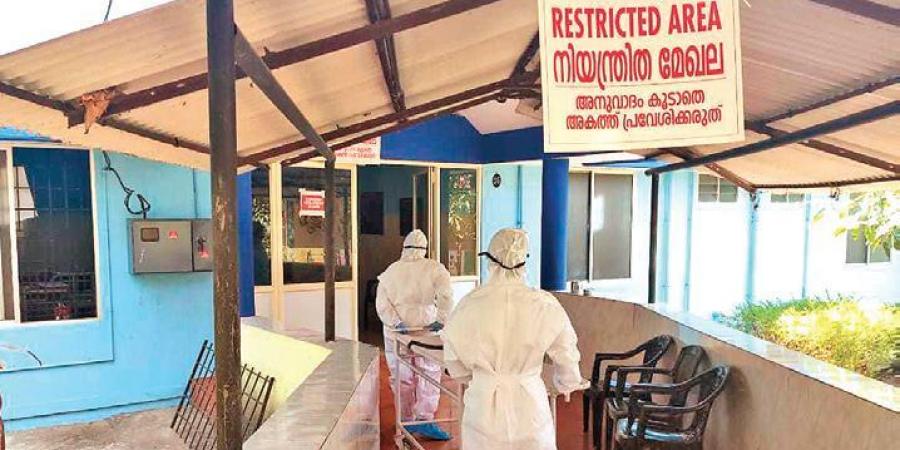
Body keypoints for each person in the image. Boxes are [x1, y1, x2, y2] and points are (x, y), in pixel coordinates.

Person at [442, 228, 587, 450]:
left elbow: (454, 363)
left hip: (483, 408)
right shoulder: (544, 304)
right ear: (523, 261)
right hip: (530, 407)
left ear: (489, 260)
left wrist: (480, 377)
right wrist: (565, 383)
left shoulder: (469, 305)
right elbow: (567, 358)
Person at [376, 229, 454, 441]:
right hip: (425, 329)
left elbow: (382, 304)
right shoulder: (434, 268)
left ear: (404, 247)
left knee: (401, 376)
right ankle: (425, 419)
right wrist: (442, 318)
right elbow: (446, 293)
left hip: (396, 333)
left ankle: (406, 420)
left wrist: (397, 322)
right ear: (424, 248)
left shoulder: (391, 271)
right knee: (428, 372)